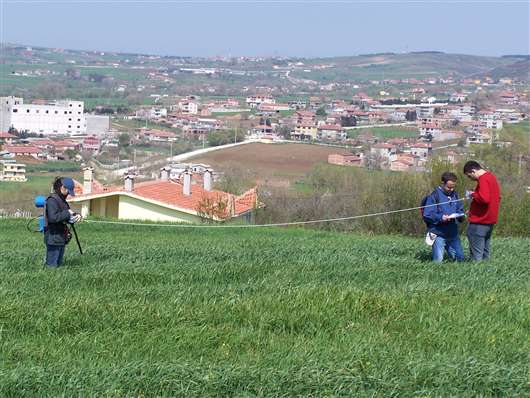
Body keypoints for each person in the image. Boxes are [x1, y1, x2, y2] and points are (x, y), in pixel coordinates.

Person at [423, 172, 465, 263]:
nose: (451, 189)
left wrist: (461, 215)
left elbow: (460, 209)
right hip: (438, 233)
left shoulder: (455, 195)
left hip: (452, 233)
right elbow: (427, 214)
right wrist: (441, 217)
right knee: (438, 261)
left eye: (453, 187)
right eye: (449, 187)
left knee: (460, 259)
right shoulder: (434, 196)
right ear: (443, 183)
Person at [463, 161, 501, 261]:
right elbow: (496, 198)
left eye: (469, 176)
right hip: (489, 221)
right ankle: (485, 273)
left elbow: (484, 199)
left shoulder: (483, 179)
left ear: (473, 171)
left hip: (480, 222)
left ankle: (476, 274)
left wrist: (472, 194)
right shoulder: (491, 177)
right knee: (485, 254)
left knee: (476, 257)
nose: (470, 179)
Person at [44, 177, 81, 268]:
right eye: (68, 191)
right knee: (51, 266)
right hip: (53, 237)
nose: (68, 193)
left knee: (58, 265)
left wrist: (75, 216)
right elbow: (53, 218)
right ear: (62, 188)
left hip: (60, 238)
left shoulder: (62, 201)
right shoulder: (52, 200)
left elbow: (66, 214)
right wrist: (68, 214)